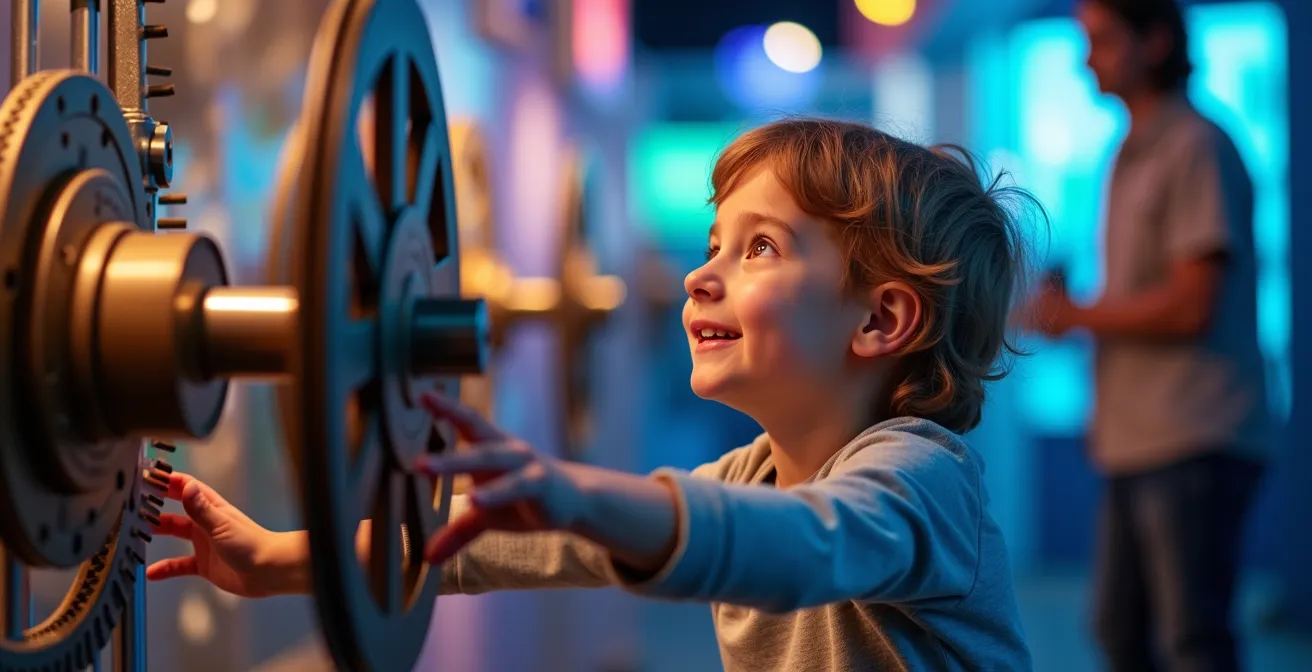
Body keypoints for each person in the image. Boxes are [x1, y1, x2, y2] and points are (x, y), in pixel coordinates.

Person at [147, 118, 1039, 670]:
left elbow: (806, 549)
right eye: (713, 244)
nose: (698, 278)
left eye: (759, 248)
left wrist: (575, 495)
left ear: (882, 321)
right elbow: (491, 543)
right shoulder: (754, 475)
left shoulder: (925, 481)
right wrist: (276, 559)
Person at [1020, 1, 1269, 670]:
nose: (1085, 59)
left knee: (1192, 641)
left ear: (1155, 41)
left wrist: (1074, 316)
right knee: (1121, 632)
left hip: (1193, 433)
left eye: (1100, 41)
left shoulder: (1196, 145)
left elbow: (1193, 307)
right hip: (1142, 437)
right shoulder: (1128, 148)